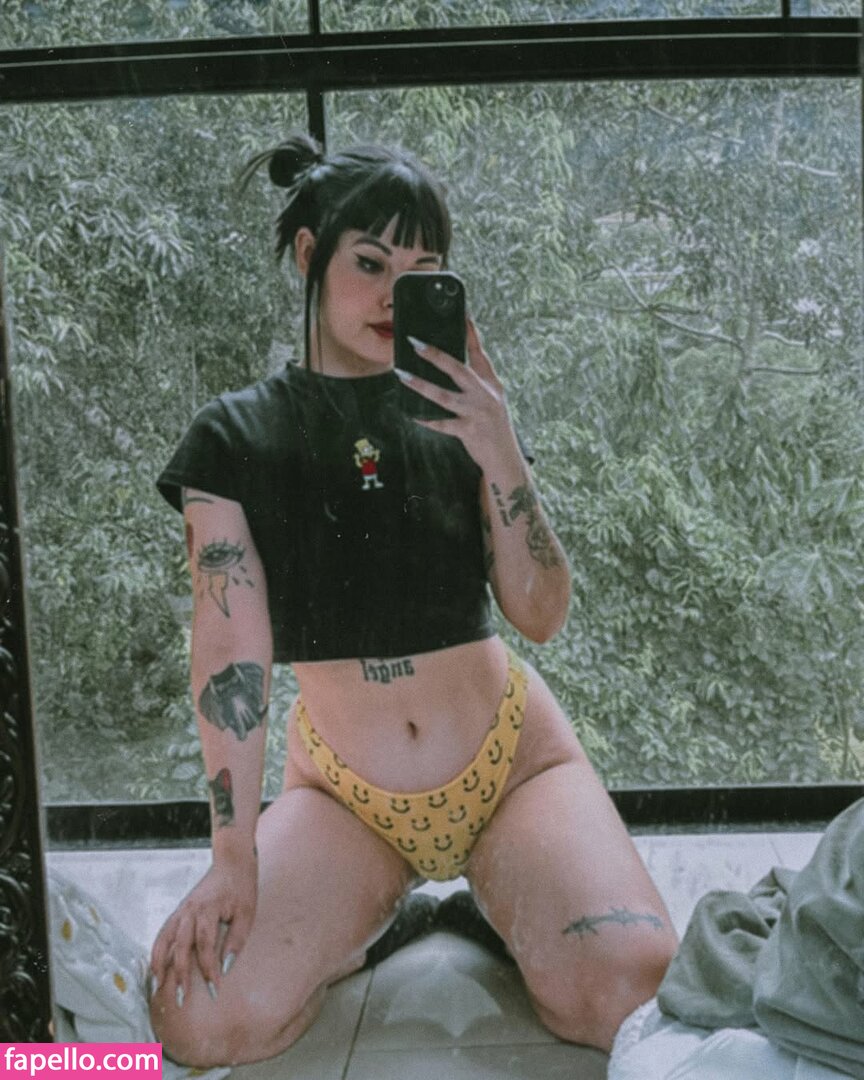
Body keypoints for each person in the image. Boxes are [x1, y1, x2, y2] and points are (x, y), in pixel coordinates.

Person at [148, 133, 678, 1067]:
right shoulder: (235, 436)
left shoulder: (461, 414)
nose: (396, 294)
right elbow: (229, 650)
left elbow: (543, 614)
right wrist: (234, 858)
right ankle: (373, 925)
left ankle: (492, 911)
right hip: (345, 797)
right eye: (370, 264)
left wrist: (501, 449)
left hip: (512, 766)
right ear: (309, 256)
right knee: (191, 1017)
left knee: (629, 989)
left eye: (422, 271)